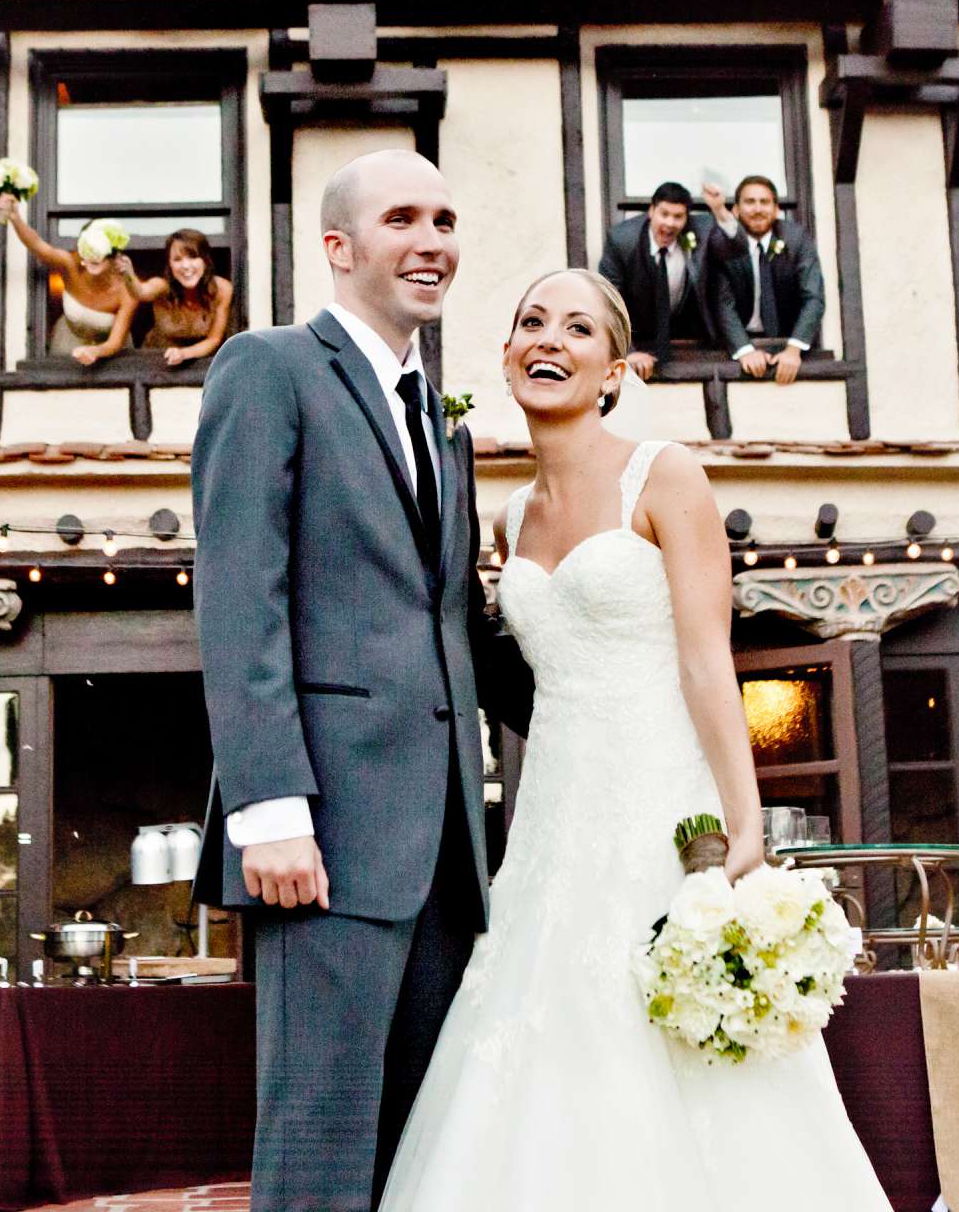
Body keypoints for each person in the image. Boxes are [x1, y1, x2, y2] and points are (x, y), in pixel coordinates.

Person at [377, 267, 893, 1211]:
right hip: (551, 820)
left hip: (661, 804)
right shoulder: (509, 514)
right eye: (531, 322)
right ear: (502, 358)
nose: (550, 341)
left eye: (578, 329)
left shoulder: (668, 474)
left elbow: (707, 661)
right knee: (541, 1030)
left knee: (680, 1032)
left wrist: (745, 827)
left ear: (613, 370)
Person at [190, 149, 532, 1212]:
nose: (432, 240)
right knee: (321, 1132)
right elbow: (241, 594)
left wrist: (603, 695)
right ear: (339, 247)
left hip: (443, 839)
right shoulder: (269, 367)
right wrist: (269, 807)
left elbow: (449, 621)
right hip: (325, 830)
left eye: (445, 217)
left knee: (422, 1140)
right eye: (402, 218)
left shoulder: (446, 421)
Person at [701, 174, 826, 384]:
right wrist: (744, 350)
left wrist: (794, 349)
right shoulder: (725, 243)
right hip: (734, 345)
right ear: (736, 210)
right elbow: (722, 302)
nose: (758, 209)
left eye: (764, 202)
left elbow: (813, 297)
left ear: (776, 209)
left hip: (785, 341)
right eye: (750, 202)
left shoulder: (797, 239)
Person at [0, 190, 139, 365]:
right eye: (87, 248)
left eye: (100, 250)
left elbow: (115, 342)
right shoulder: (69, 265)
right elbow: (37, 245)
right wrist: (15, 217)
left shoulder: (127, 290)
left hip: (111, 355)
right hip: (66, 344)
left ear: (115, 254)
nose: (92, 257)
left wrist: (95, 351)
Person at [597, 180, 717, 379]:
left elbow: (734, 245)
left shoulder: (700, 231)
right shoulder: (621, 240)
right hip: (637, 338)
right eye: (664, 214)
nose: (670, 223)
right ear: (651, 211)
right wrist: (628, 352)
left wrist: (719, 208)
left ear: (687, 219)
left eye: (678, 216)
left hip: (688, 343)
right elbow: (608, 302)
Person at [130, 227, 236, 366]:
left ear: (205, 260)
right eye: (177, 259)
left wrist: (183, 354)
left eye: (192, 257)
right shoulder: (162, 287)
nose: (185, 266)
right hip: (154, 363)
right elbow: (141, 292)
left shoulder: (222, 289)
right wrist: (127, 272)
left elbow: (214, 339)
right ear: (170, 264)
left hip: (201, 366)